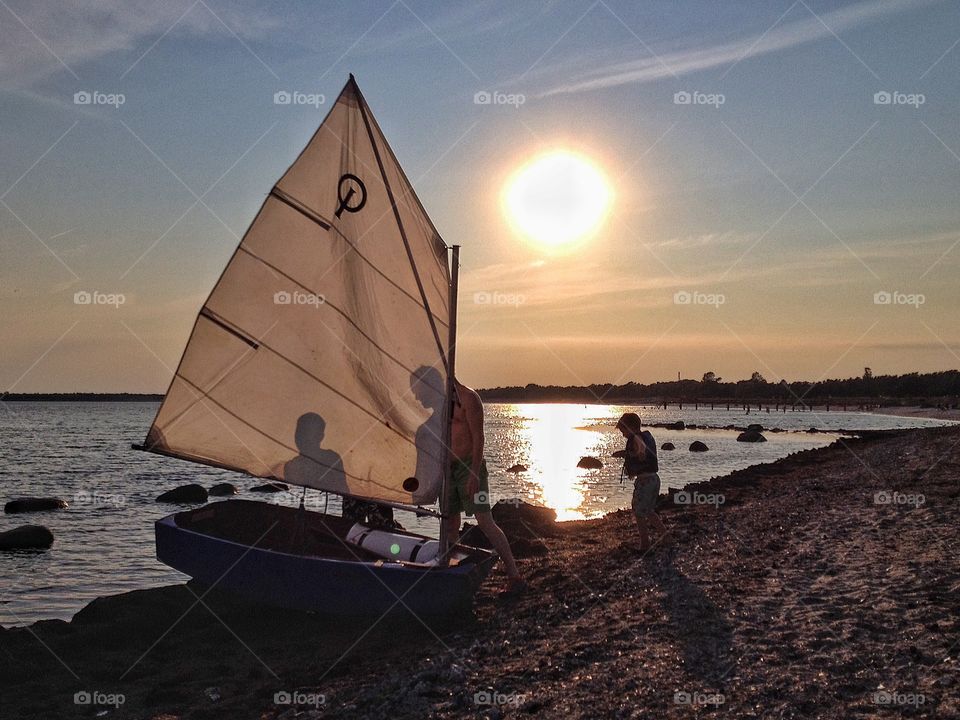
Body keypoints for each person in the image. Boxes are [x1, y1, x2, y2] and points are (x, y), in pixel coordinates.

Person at [446, 378, 525, 595]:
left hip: (470, 469)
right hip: (448, 471)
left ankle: (514, 574)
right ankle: (450, 576)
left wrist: (474, 473)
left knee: (485, 520)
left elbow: (478, 437)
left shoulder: (469, 398)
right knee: (450, 522)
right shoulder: (440, 400)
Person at [613, 412, 667, 552]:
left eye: (623, 431)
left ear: (630, 428)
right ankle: (666, 537)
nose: (623, 434)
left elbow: (641, 448)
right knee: (648, 510)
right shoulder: (644, 436)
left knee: (638, 512)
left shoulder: (636, 438)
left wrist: (640, 454)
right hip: (654, 479)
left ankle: (645, 544)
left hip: (645, 482)